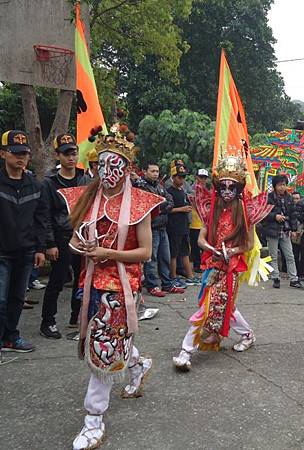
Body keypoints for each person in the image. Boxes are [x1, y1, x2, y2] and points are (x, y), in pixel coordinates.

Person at [61, 123, 164, 450]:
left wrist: (109, 253)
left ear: (127, 167)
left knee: (103, 348)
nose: (107, 170)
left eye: (114, 164)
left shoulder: (140, 204)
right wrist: (80, 244)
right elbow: (75, 238)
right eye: (102, 163)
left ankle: (94, 420)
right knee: (105, 338)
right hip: (90, 284)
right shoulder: (86, 197)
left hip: (121, 289)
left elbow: (145, 252)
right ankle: (138, 364)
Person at [172, 156, 272, 370]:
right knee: (223, 305)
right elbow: (200, 239)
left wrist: (231, 251)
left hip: (231, 268)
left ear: (238, 189)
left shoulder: (245, 213)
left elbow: (247, 244)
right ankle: (247, 334)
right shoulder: (211, 209)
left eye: (232, 187)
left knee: (209, 308)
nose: (227, 191)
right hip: (212, 265)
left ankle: (186, 350)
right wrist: (212, 249)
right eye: (223, 187)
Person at [0, 130, 47, 353]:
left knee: (17, 298)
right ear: (3, 154)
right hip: (2, 252)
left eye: (25, 154)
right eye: (15, 153)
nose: (20, 158)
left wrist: (41, 248)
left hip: (26, 252)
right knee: (0, 299)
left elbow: (41, 219)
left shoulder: (34, 185)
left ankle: (11, 337)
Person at [39, 134, 90, 339]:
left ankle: (76, 317)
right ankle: (47, 321)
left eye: (74, 153)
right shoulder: (49, 183)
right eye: (66, 153)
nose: (71, 157)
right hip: (60, 236)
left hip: (81, 234)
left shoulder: (84, 178)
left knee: (82, 278)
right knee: (58, 279)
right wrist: (49, 243)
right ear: (57, 155)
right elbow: (45, 215)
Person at [134, 162, 185, 297]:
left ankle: (167, 284)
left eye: (157, 171)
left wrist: (159, 207)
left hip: (162, 227)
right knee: (152, 258)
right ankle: (152, 285)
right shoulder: (141, 186)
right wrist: (161, 206)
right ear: (144, 171)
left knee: (165, 257)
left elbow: (170, 201)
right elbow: (149, 206)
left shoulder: (160, 186)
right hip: (151, 228)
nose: (156, 174)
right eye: (152, 171)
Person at [262, 175, 304, 290]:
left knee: (290, 256)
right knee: (273, 256)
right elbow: (263, 213)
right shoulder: (269, 197)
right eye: (280, 185)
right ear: (275, 186)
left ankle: (294, 279)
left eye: (284, 185)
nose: (282, 187)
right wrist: (274, 216)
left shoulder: (289, 198)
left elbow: (293, 215)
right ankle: (275, 277)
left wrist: (294, 229)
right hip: (272, 230)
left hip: (285, 231)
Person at [166, 162, 199, 285]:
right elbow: (166, 210)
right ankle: (173, 278)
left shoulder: (183, 191)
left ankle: (190, 276)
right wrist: (181, 209)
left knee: (185, 252)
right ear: (173, 177)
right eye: (179, 177)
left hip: (184, 226)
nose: (182, 179)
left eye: (184, 177)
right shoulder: (168, 191)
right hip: (173, 227)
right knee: (173, 254)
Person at [190, 168, 210, 272]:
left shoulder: (205, 189)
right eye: (201, 177)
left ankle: (204, 263)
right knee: (196, 245)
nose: (202, 180)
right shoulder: (193, 189)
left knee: (204, 244)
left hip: (204, 221)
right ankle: (197, 265)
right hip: (195, 221)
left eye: (204, 178)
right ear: (196, 177)